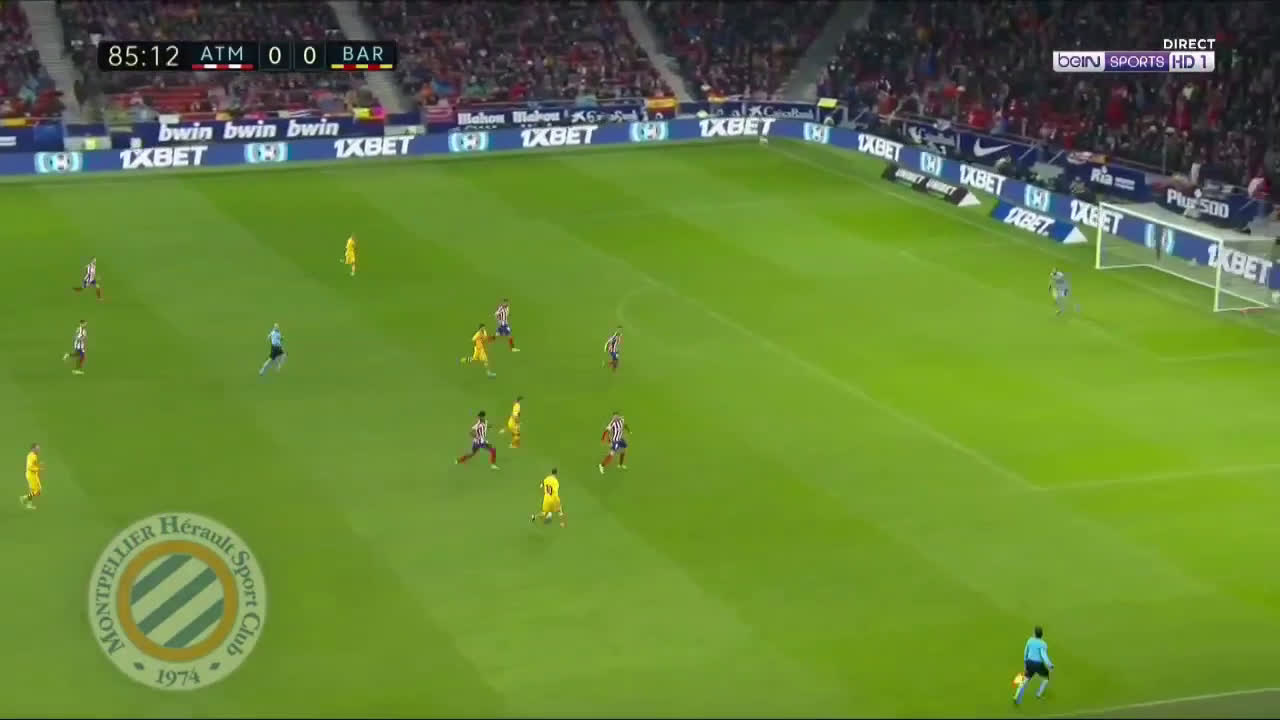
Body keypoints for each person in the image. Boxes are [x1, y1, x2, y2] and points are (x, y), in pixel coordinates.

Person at [1014, 625, 1054, 704]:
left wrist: (1025, 662)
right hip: (1038, 664)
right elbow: (1044, 655)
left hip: (1029, 662)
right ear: (1042, 635)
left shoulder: (1030, 640)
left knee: (1025, 679)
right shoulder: (1043, 644)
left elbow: (1025, 651)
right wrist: (1050, 665)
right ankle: (1039, 693)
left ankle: (1016, 695)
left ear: (1034, 633)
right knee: (1046, 677)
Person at [20, 443, 41, 510]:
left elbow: (33, 465)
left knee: (37, 491)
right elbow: (30, 467)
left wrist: (38, 466)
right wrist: (38, 469)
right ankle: (24, 498)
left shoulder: (33, 455)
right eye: (37, 449)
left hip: (33, 475)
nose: (39, 450)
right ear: (33, 449)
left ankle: (27, 502)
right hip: (31, 476)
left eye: (39, 448)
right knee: (36, 492)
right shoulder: (32, 457)